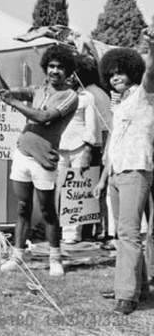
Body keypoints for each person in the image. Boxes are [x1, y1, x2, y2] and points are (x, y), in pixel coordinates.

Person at [0, 44, 78, 277]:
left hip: (44, 161)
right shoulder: (38, 89)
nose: (55, 71)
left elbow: (44, 117)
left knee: (47, 211)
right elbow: (5, 93)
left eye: (60, 67)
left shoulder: (70, 96)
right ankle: (17, 256)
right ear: (46, 68)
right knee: (23, 207)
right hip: (22, 155)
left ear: (69, 72)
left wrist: (14, 103)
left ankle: (55, 258)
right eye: (51, 66)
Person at [93, 26, 154, 315]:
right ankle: (137, 288)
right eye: (111, 74)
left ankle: (126, 295)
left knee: (129, 234)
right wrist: (104, 178)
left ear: (132, 70)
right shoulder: (118, 105)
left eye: (120, 71)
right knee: (123, 233)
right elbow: (111, 147)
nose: (115, 77)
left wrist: (151, 46)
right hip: (117, 173)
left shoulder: (144, 94)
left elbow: (151, 72)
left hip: (136, 170)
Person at [58, 58, 99, 244]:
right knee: (58, 189)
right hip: (58, 147)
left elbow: (91, 127)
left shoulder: (87, 97)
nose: (70, 78)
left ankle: (72, 234)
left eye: (74, 74)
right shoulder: (57, 95)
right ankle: (57, 230)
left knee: (76, 190)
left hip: (79, 147)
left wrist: (88, 151)